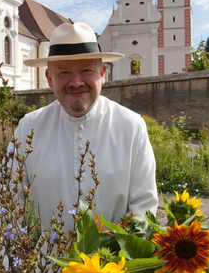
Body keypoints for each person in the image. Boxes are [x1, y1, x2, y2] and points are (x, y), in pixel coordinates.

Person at [11, 22, 158, 233]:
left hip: (112, 262)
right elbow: (6, 203)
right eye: (63, 73)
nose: (76, 82)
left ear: (102, 73)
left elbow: (144, 210)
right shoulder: (28, 128)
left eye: (86, 70)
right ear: (49, 79)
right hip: (45, 263)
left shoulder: (131, 127)